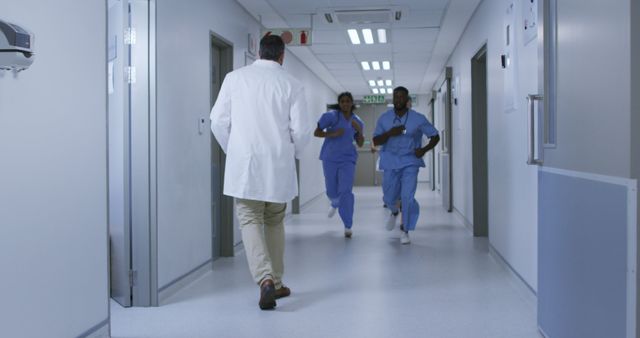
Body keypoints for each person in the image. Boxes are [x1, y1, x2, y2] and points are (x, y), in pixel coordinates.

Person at [210, 35, 313, 310]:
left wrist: (234, 150)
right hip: (278, 165)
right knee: (275, 220)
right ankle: (277, 283)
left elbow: (217, 121)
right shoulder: (292, 84)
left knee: (249, 219)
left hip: (245, 165)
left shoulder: (235, 78)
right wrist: (294, 154)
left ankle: (265, 279)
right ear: (282, 56)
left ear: (258, 52)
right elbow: (302, 131)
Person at [372, 87, 440, 245]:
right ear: (393, 99)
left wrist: (423, 150)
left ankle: (405, 230)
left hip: (410, 161)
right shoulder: (384, 118)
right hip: (389, 161)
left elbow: (435, 136)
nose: (398, 100)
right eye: (396, 97)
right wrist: (390, 133)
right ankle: (394, 211)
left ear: (407, 99)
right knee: (389, 197)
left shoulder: (418, 118)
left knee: (407, 197)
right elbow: (376, 141)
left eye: (402, 97)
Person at [314, 92, 364, 238]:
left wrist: (359, 131)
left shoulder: (357, 121)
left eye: (348, 101)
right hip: (330, 158)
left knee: (346, 191)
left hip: (348, 159)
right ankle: (335, 202)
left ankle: (348, 225)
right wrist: (332, 134)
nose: (345, 104)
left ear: (352, 103)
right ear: (339, 103)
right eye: (342, 101)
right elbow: (316, 132)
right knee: (331, 191)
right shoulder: (331, 116)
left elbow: (360, 143)